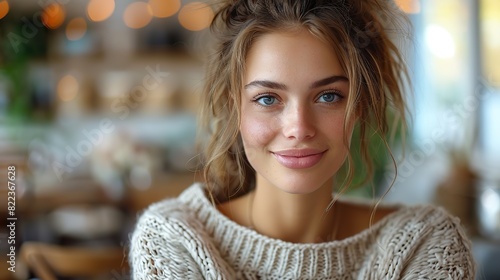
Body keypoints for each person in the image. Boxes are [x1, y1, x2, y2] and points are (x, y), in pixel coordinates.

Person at [130, 0, 476, 279]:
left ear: (359, 107)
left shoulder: (424, 242)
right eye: (267, 99)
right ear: (234, 108)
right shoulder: (174, 238)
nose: (299, 127)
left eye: (328, 96)